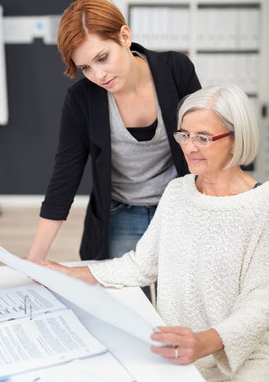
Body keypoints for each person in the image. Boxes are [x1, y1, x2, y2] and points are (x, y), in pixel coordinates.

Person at [40, 86, 269, 382]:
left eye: (203, 137)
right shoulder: (177, 192)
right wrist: (68, 273)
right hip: (173, 351)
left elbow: (261, 302)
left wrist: (204, 342)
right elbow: (142, 264)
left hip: (240, 358)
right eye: (184, 135)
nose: (189, 147)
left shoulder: (262, 206)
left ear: (236, 139)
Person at [28, 0, 201, 262]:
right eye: (85, 67)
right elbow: (65, 176)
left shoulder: (176, 70)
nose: (99, 75)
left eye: (103, 58)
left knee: (177, 300)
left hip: (179, 208)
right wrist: (33, 262)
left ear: (124, 36)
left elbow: (204, 144)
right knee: (126, 302)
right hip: (120, 214)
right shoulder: (81, 99)